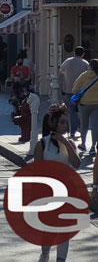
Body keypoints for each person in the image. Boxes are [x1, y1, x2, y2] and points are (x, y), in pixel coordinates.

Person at [34, 106, 80, 262]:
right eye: (62, 122)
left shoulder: (70, 143)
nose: (65, 126)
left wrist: (66, 144)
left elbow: (76, 164)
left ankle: (61, 259)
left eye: (66, 123)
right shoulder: (42, 144)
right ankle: (45, 253)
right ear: (53, 123)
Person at [60, 46, 89, 140]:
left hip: (69, 89)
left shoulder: (68, 61)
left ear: (74, 53)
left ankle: (72, 132)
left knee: (72, 112)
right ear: (83, 54)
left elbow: (61, 70)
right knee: (81, 111)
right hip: (82, 91)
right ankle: (81, 129)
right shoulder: (85, 63)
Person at [71, 58, 98, 155]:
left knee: (84, 125)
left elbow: (74, 89)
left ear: (90, 66)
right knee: (95, 126)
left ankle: (83, 144)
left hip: (84, 104)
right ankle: (93, 146)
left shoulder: (83, 76)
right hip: (96, 104)